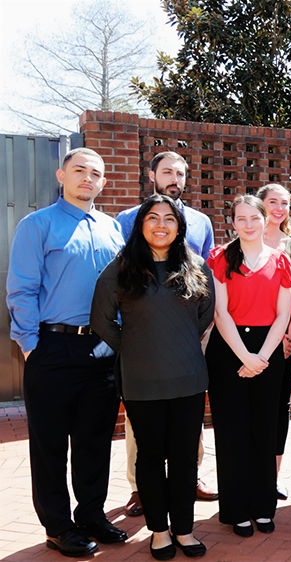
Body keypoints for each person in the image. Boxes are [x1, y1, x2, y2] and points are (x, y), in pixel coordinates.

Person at [7, 148, 127, 557]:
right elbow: (21, 288)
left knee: (95, 440)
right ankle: (58, 527)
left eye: (96, 173)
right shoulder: (36, 225)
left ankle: (91, 515)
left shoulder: (113, 229)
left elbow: (124, 290)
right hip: (53, 347)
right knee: (50, 445)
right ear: (62, 175)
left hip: (102, 348)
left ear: (103, 182)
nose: (88, 178)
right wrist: (31, 345)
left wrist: (117, 337)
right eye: (80, 171)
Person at [91, 194, 214, 560]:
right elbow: (101, 320)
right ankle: (159, 532)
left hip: (189, 379)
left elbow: (205, 316)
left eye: (169, 219)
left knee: (182, 457)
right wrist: (131, 346)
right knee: (149, 456)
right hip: (142, 380)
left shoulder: (195, 266)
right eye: (153, 218)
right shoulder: (122, 268)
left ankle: (184, 530)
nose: (161, 225)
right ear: (141, 225)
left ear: (179, 227)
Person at [117, 151, 217, 516]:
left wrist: (198, 330)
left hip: (190, 331)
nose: (174, 177)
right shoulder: (127, 219)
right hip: (144, 335)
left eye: (180, 172)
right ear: (151, 174)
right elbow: (120, 279)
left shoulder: (201, 221)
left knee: (189, 408)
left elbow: (205, 278)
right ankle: (138, 486)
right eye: (167, 171)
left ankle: (191, 476)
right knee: (140, 418)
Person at [205, 194, 291, 537]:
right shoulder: (220, 258)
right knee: (232, 432)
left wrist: (262, 357)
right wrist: (245, 357)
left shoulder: (282, 260)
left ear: (266, 219)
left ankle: (262, 505)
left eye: (254, 218)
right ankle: (236, 509)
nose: (249, 224)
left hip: (268, 351)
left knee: (263, 430)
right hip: (229, 350)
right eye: (241, 219)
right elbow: (220, 312)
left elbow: (283, 314)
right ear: (233, 223)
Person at [256, 183, 291, 501]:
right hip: (249, 339)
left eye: (285, 203)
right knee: (251, 407)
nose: (279, 208)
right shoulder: (245, 241)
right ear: (260, 205)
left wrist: (289, 334)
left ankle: (272, 476)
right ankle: (251, 471)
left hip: (286, 340)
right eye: (273, 201)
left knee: (279, 407)